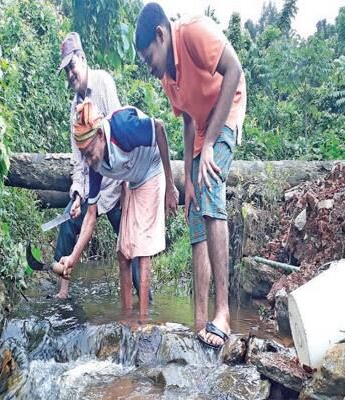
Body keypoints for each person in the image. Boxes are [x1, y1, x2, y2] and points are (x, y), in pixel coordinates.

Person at [134, 2, 246, 348]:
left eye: (148, 56)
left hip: (227, 112)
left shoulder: (193, 32)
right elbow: (185, 121)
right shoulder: (169, 78)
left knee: (211, 185)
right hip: (200, 131)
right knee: (195, 211)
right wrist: (186, 178)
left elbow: (235, 70)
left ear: (161, 35)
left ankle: (223, 313)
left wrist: (210, 144)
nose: (148, 67)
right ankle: (200, 321)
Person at [56, 100, 179, 323]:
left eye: (90, 151)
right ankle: (126, 318)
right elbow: (90, 217)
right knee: (123, 254)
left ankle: (142, 322)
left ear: (101, 136)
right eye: (83, 154)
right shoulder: (95, 165)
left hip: (152, 171)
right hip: (133, 181)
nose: (88, 159)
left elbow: (159, 127)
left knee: (141, 252)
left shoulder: (123, 128)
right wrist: (73, 257)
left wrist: (170, 186)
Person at [55, 32, 151, 303]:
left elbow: (119, 133)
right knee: (68, 223)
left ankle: (146, 303)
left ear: (82, 58)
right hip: (91, 185)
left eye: (72, 66)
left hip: (115, 180)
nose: (70, 75)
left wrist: (127, 187)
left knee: (129, 243)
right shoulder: (74, 108)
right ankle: (62, 293)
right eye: (66, 72)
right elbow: (78, 161)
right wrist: (76, 195)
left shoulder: (103, 82)